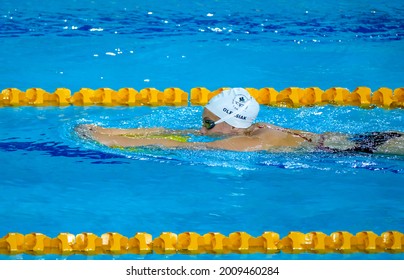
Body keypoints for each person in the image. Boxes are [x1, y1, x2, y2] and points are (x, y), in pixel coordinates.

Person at [76, 88, 404, 155]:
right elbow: (175, 133)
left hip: (375, 148)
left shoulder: (251, 141)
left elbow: (180, 147)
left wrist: (110, 142)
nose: (201, 129)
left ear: (230, 124)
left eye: (207, 123)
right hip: (366, 138)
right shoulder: (247, 127)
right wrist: (106, 129)